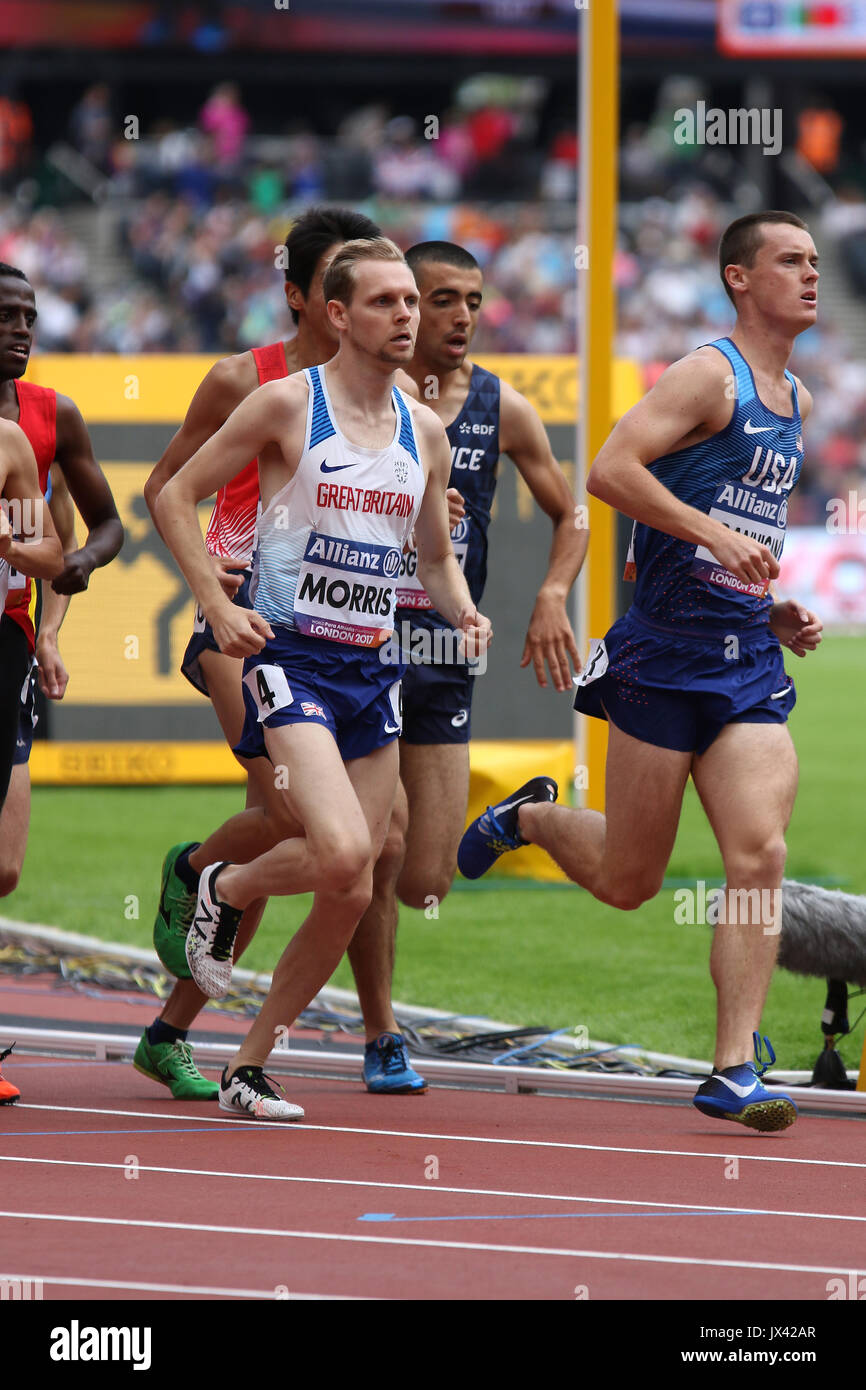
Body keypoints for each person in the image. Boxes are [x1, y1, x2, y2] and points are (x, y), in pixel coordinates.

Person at [459, 211, 823, 1133]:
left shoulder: (799, 400)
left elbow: (746, 525)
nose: (811, 275)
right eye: (790, 261)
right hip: (661, 658)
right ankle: (528, 815)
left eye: (817, 261)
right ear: (740, 278)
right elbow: (610, 471)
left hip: (744, 659)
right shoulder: (711, 374)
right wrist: (713, 536)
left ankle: (732, 1067)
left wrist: (767, 601)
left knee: (760, 854)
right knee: (631, 880)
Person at [156, 237, 490, 1119]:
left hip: (371, 670)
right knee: (340, 849)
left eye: (412, 303)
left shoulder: (426, 430)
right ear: (337, 315)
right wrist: (215, 604)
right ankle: (221, 888)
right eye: (387, 303)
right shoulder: (284, 405)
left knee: (357, 877)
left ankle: (251, 1065)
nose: (408, 317)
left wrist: (460, 607)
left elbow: (430, 556)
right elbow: (171, 493)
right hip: (289, 658)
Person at [139, 206, 399, 1102]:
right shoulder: (246, 380)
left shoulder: (388, 399)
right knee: (312, 830)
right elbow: (165, 484)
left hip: (341, 638)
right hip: (246, 620)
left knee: (349, 850)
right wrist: (218, 580)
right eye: (363, 288)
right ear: (311, 298)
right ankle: (205, 884)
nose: (385, 306)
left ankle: (183, 1000)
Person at [342, 240, 585, 1089]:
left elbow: (576, 513)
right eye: (440, 298)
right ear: (403, 301)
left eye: (473, 301)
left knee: (424, 880)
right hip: (356, 643)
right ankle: (382, 1033)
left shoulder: (501, 407)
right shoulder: (357, 400)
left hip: (442, 651)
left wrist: (552, 594)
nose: (459, 317)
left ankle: (509, 821)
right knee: (376, 850)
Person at [0, 261, 124, 900]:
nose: (22, 331)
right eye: (7, 318)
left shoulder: (48, 418)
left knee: (4, 869)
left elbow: (87, 528)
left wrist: (73, 576)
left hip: (12, 630)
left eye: (30, 319)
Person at [0, 411, 65, 1106]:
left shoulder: (12, 441)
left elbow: (59, 555)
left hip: (3, 651)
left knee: (2, 865)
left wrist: (12, 546)